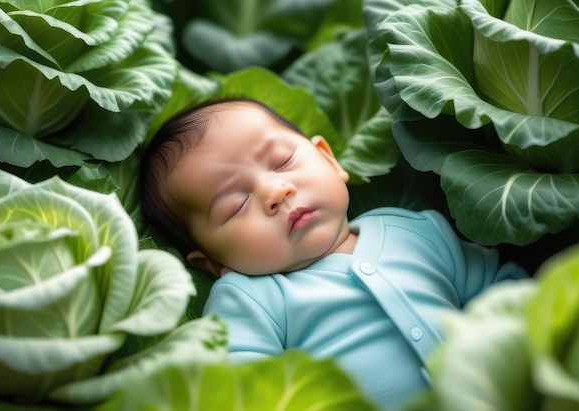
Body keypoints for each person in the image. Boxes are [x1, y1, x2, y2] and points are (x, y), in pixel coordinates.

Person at [139, 98, 529, 410]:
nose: (276, 191)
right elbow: (244, 390)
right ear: (211, 263)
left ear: (328, 159)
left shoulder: (416, 229)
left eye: (282, 162)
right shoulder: (251, 298)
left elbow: (503, 294)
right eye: (236, 205)